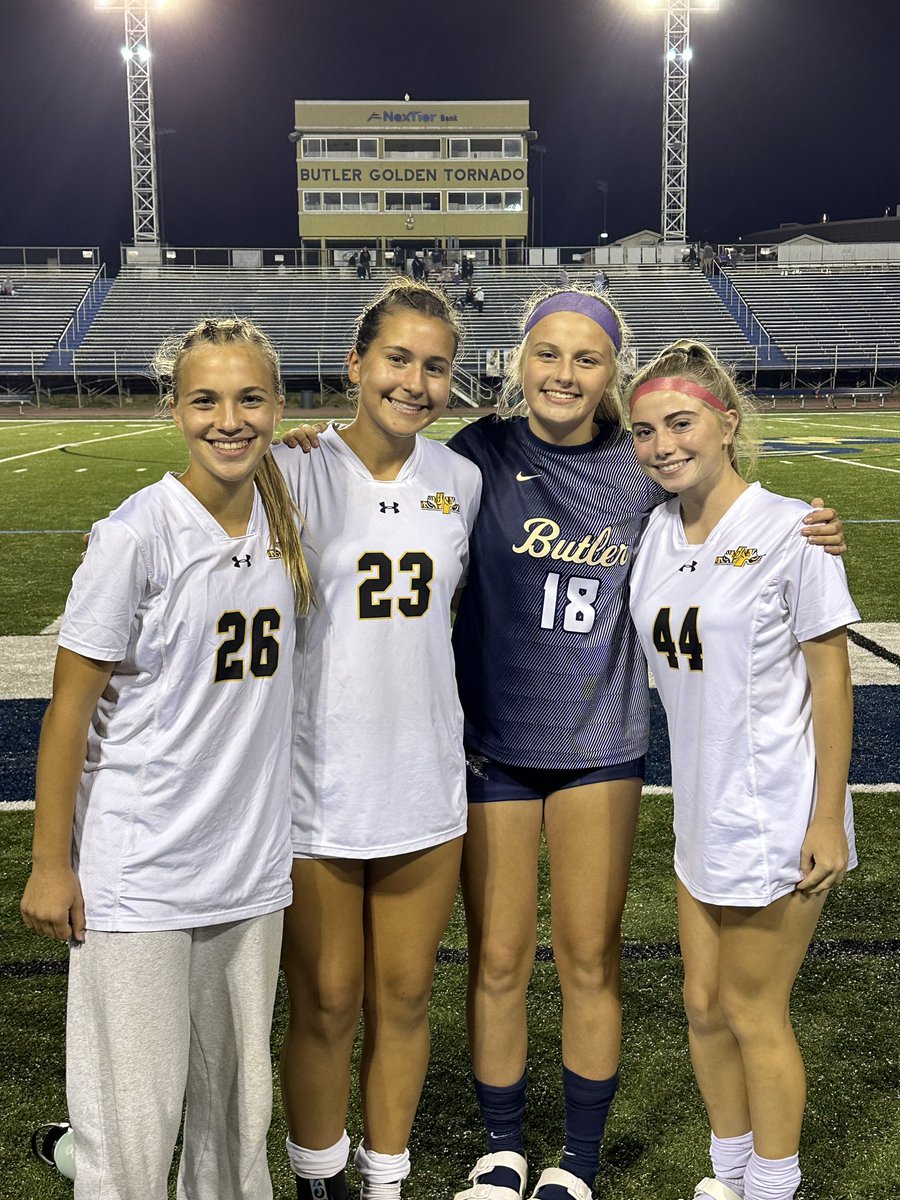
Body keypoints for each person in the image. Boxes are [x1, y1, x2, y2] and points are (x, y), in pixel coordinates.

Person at [281, 288, 844, 1200]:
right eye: (548, 354)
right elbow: (388, 491)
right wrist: (307, 447)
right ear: (519, 362)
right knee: (497, 959)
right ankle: (501, 1149)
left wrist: (805, 527)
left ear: (612, 374)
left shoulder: (642, 467)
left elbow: (721, 517)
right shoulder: (475, 457)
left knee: (589, 958)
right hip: (492, 743)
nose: (564, 374)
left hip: (600, 741)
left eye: (587, 360)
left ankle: (575, 1160)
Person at [19, 317, 314, 1200]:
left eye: (250, 398)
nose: (230, 419)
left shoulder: (284, 500)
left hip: (250, 868)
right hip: (140, 872)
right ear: (175, 409)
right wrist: (49, 862)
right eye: (206, 400)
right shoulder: (135, 536)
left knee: (235, 1114)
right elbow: (68, 711)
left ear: (279, 404)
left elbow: (373, 438)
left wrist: (305, 445)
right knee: (131, 1124)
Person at [626, 341, 858, 1200]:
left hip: (776, 811)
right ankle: (728, 1172)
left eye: (680, 423)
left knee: (755, 1011)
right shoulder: (653, 531)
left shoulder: (791, 527)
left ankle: (774, 1184)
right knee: (700, 1001)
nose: (661, 445)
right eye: (645, 431)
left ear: (726, 424)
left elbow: (832, 681)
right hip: (702, 808)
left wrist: (827, 816)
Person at [274, 280, 483, 1200]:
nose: (416, 381)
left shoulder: (461, 481)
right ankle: (319, 1176)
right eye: (398, 359)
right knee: (325, 1002)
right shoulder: (292, 469)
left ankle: (385, 1177)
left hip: (423, 777)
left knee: (403, 998)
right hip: (313, 782)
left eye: (435, 367)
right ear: (357, 365)